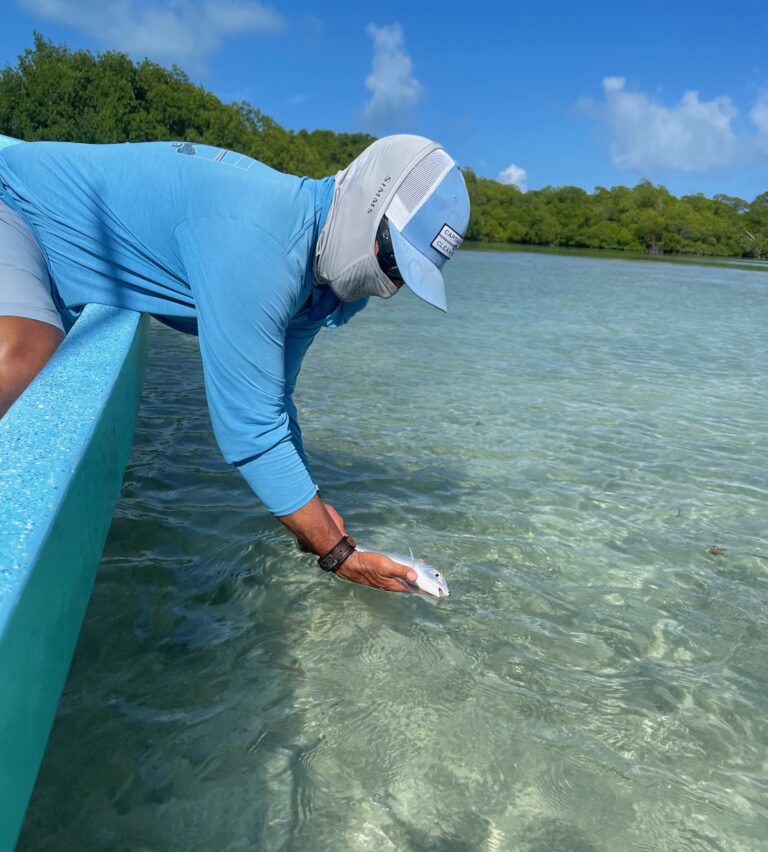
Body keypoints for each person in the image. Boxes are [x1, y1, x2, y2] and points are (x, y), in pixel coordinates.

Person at [0, 134, 470, 591]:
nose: (386, 286)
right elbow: (249, 429)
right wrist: (337, 553)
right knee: (25, 355)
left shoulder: (316, 281)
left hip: (59, 248)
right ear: (367, 203)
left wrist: (316, 514)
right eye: (392, 261)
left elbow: (274, 404)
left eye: (403, 278)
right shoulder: (261, 243)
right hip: (16, 204)